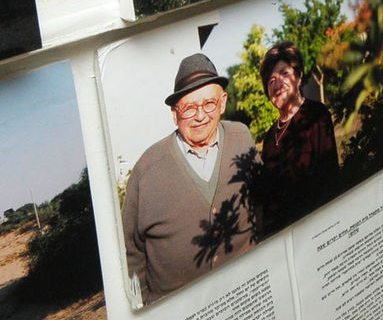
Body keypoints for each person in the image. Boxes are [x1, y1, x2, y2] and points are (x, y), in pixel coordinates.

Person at [122, 52, 258, 303]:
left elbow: (262, 202)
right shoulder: (146, 170)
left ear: (223, 102)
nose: (200, 116)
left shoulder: (241, 137)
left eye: (209, 104)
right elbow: (130, 252)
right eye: (189, 108)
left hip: (247, 296)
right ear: (175, 114)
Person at [257, 41, 340, 236]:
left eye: (284, 73)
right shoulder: (269, 138)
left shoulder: (316, 115)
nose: (277, 83)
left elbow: (330, 180)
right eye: (270, 80)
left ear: (299, 77)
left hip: (319, 227)